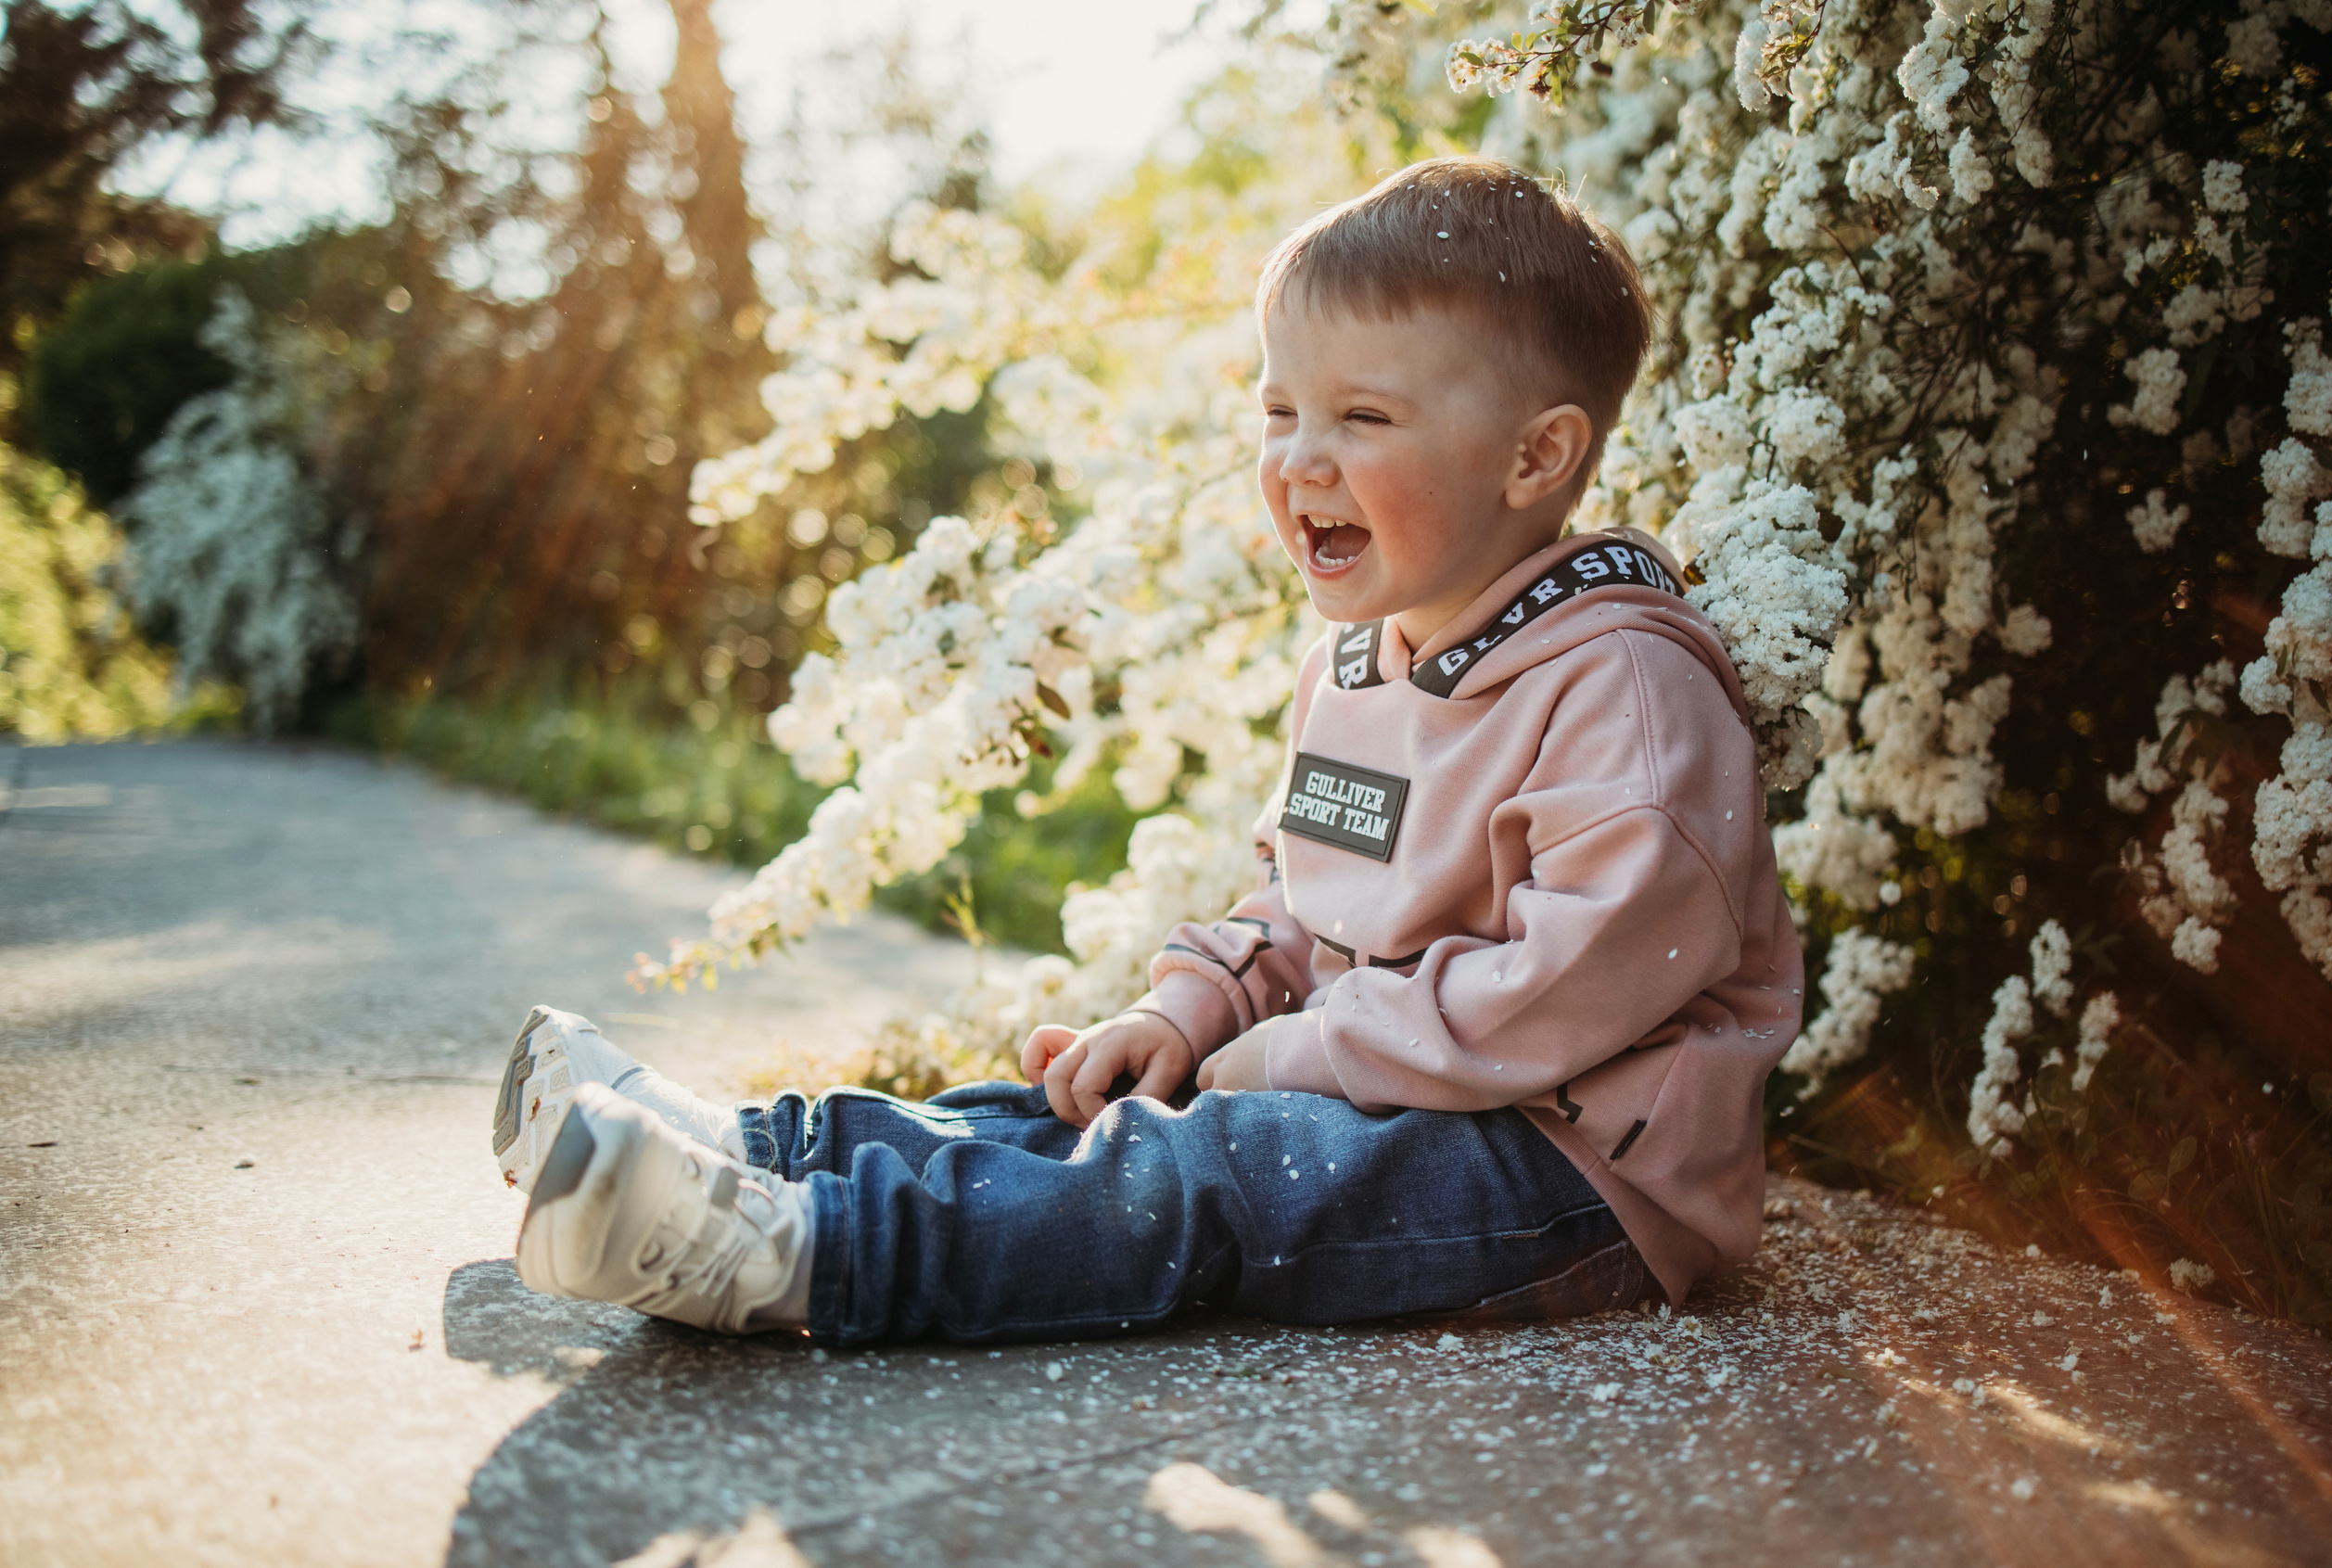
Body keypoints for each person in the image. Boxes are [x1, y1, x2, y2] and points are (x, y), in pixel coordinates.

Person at [495, 154, 1803, 1344]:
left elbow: (1568, 988)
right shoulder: (1358, 664)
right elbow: (1302, 905)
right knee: (1100, 1111)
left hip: (1569, 1167)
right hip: (1388, 1084)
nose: (1302, 461)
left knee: (1198, 1173)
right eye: (1280, 412)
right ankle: (746, 1150)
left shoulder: (1625, 688)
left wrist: (1295, 1055)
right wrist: (1187, 1013)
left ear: (1535, 457)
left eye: (1363, 418)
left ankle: (802, 1253)